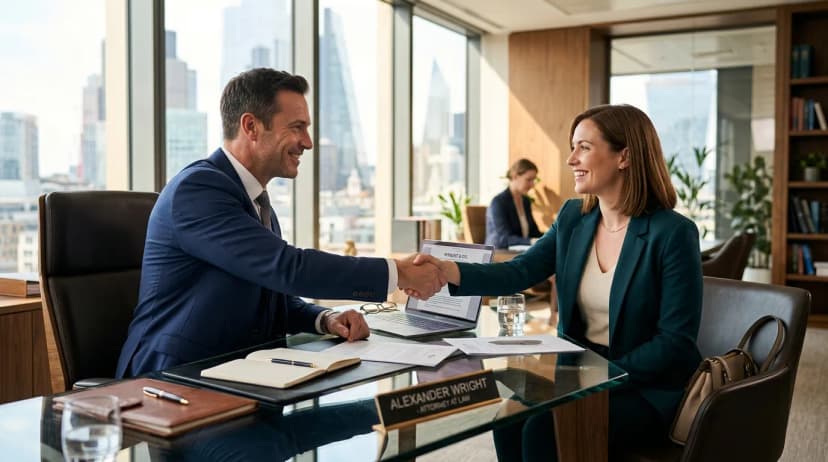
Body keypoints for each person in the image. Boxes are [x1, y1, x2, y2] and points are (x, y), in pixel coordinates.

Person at [409, 104, 703, 460]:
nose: (571, 159)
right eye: (572, 147)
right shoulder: (574, 218)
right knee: (508, 418)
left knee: (543, 428)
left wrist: (595, 375)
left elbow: (674, 342)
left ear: (624, 157)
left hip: (645, 386)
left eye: (584, 147)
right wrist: (446, 271)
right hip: (578, 373)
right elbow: (518, 271)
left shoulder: (673, 233)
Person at [116, 69, 445, 378]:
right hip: (172, 379)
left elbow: (272, 295)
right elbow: (289, 268)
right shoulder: (198, 190)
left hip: (241, 373)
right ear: (251, 127)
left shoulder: (256, 202)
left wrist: (325, 319)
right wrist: (398, 273)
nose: (308, 142)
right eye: (297, 127)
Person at [486, 158, 543, 249]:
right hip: (500, 252)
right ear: (515, 176)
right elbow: (504, 239)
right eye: (529, 180)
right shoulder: (498, 202)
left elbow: (534, 232)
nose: (532, 185)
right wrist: (531, 241)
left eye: (533, 180)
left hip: (518, 251)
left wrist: (551, 237)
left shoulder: (525, 201)